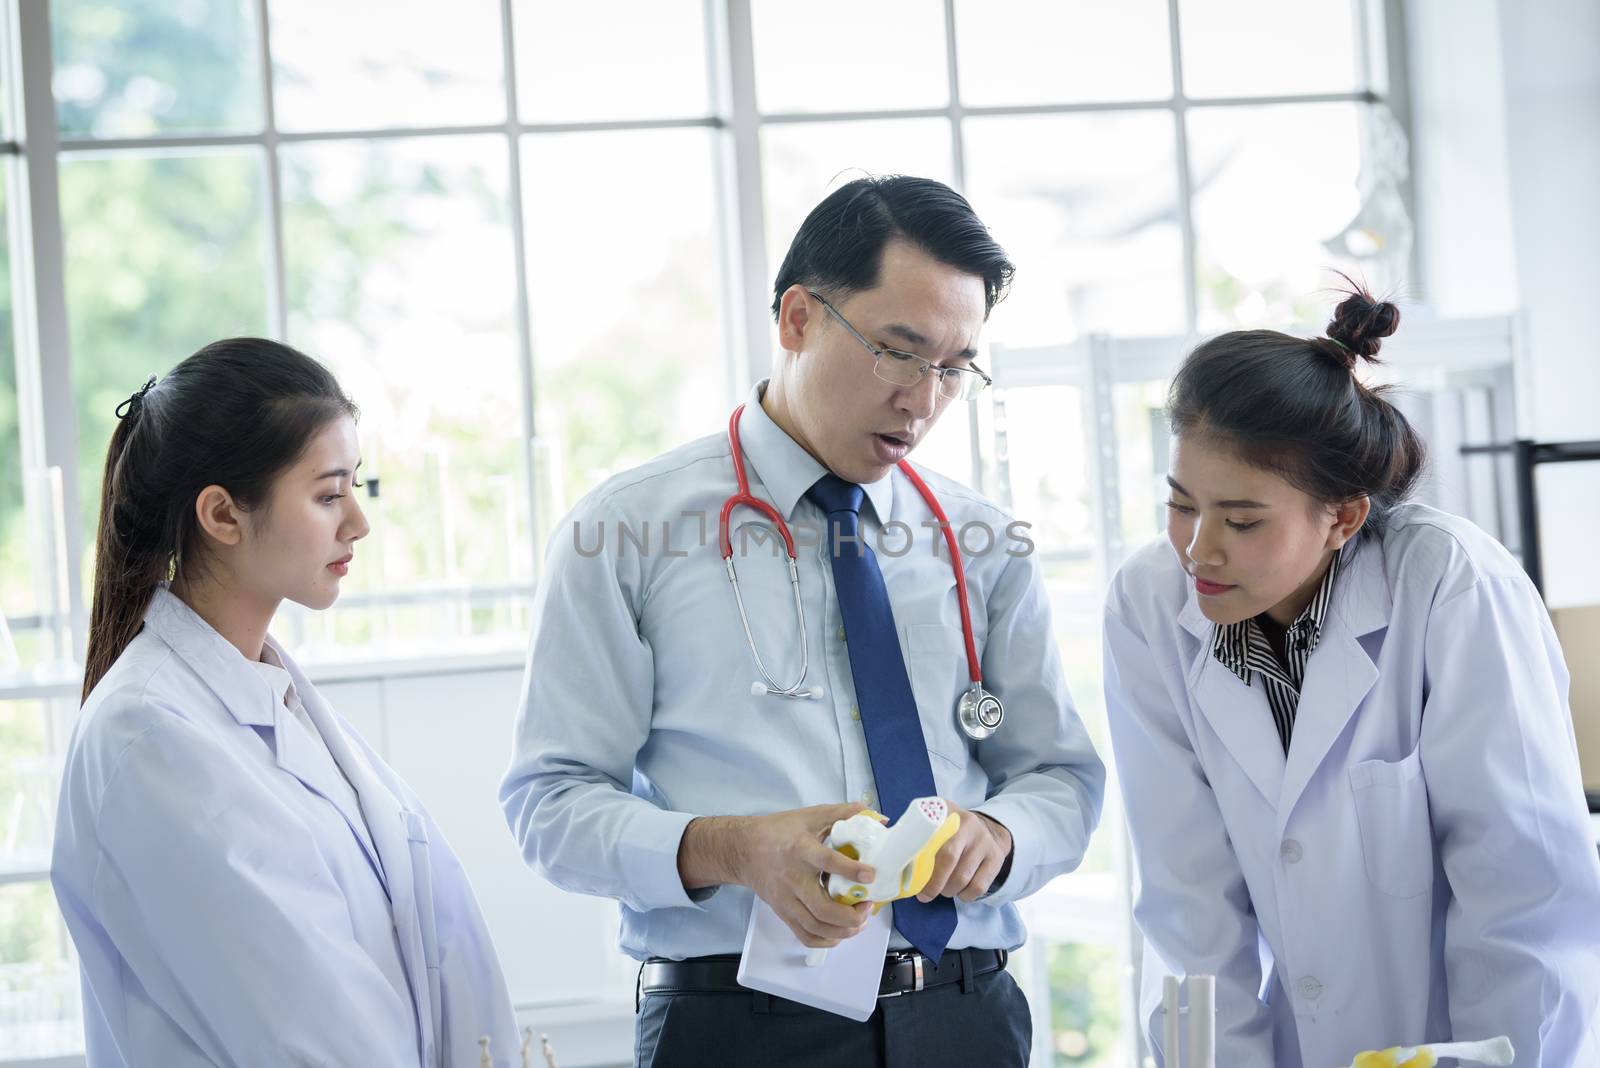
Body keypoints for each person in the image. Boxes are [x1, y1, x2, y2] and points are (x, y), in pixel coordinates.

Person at [501, 175, 1105, 1066]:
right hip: (738, 1026)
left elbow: (1061, 778)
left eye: (954, 368)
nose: (923, 399)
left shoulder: (981, 542)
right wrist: (732, 850)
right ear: (797, 319)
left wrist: (1003, 837)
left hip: (966, 1016)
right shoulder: (624, 533)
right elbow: (549, 806)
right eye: (899, 352)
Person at [1103, 287, 1600, 1068]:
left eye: (1241, 521)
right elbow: (1187, 902)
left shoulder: (1450, 585)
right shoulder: (1148, 602)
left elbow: (1523, 898)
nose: (1198, 550)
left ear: (1343, 518)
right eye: (1180, 504)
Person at [52, 339, 520, 1067]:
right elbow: (308, 1035)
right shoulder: (148, 736)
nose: (357, 522)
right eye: (329, 494)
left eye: (356, 488)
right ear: (222, 515)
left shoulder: (267, 697)